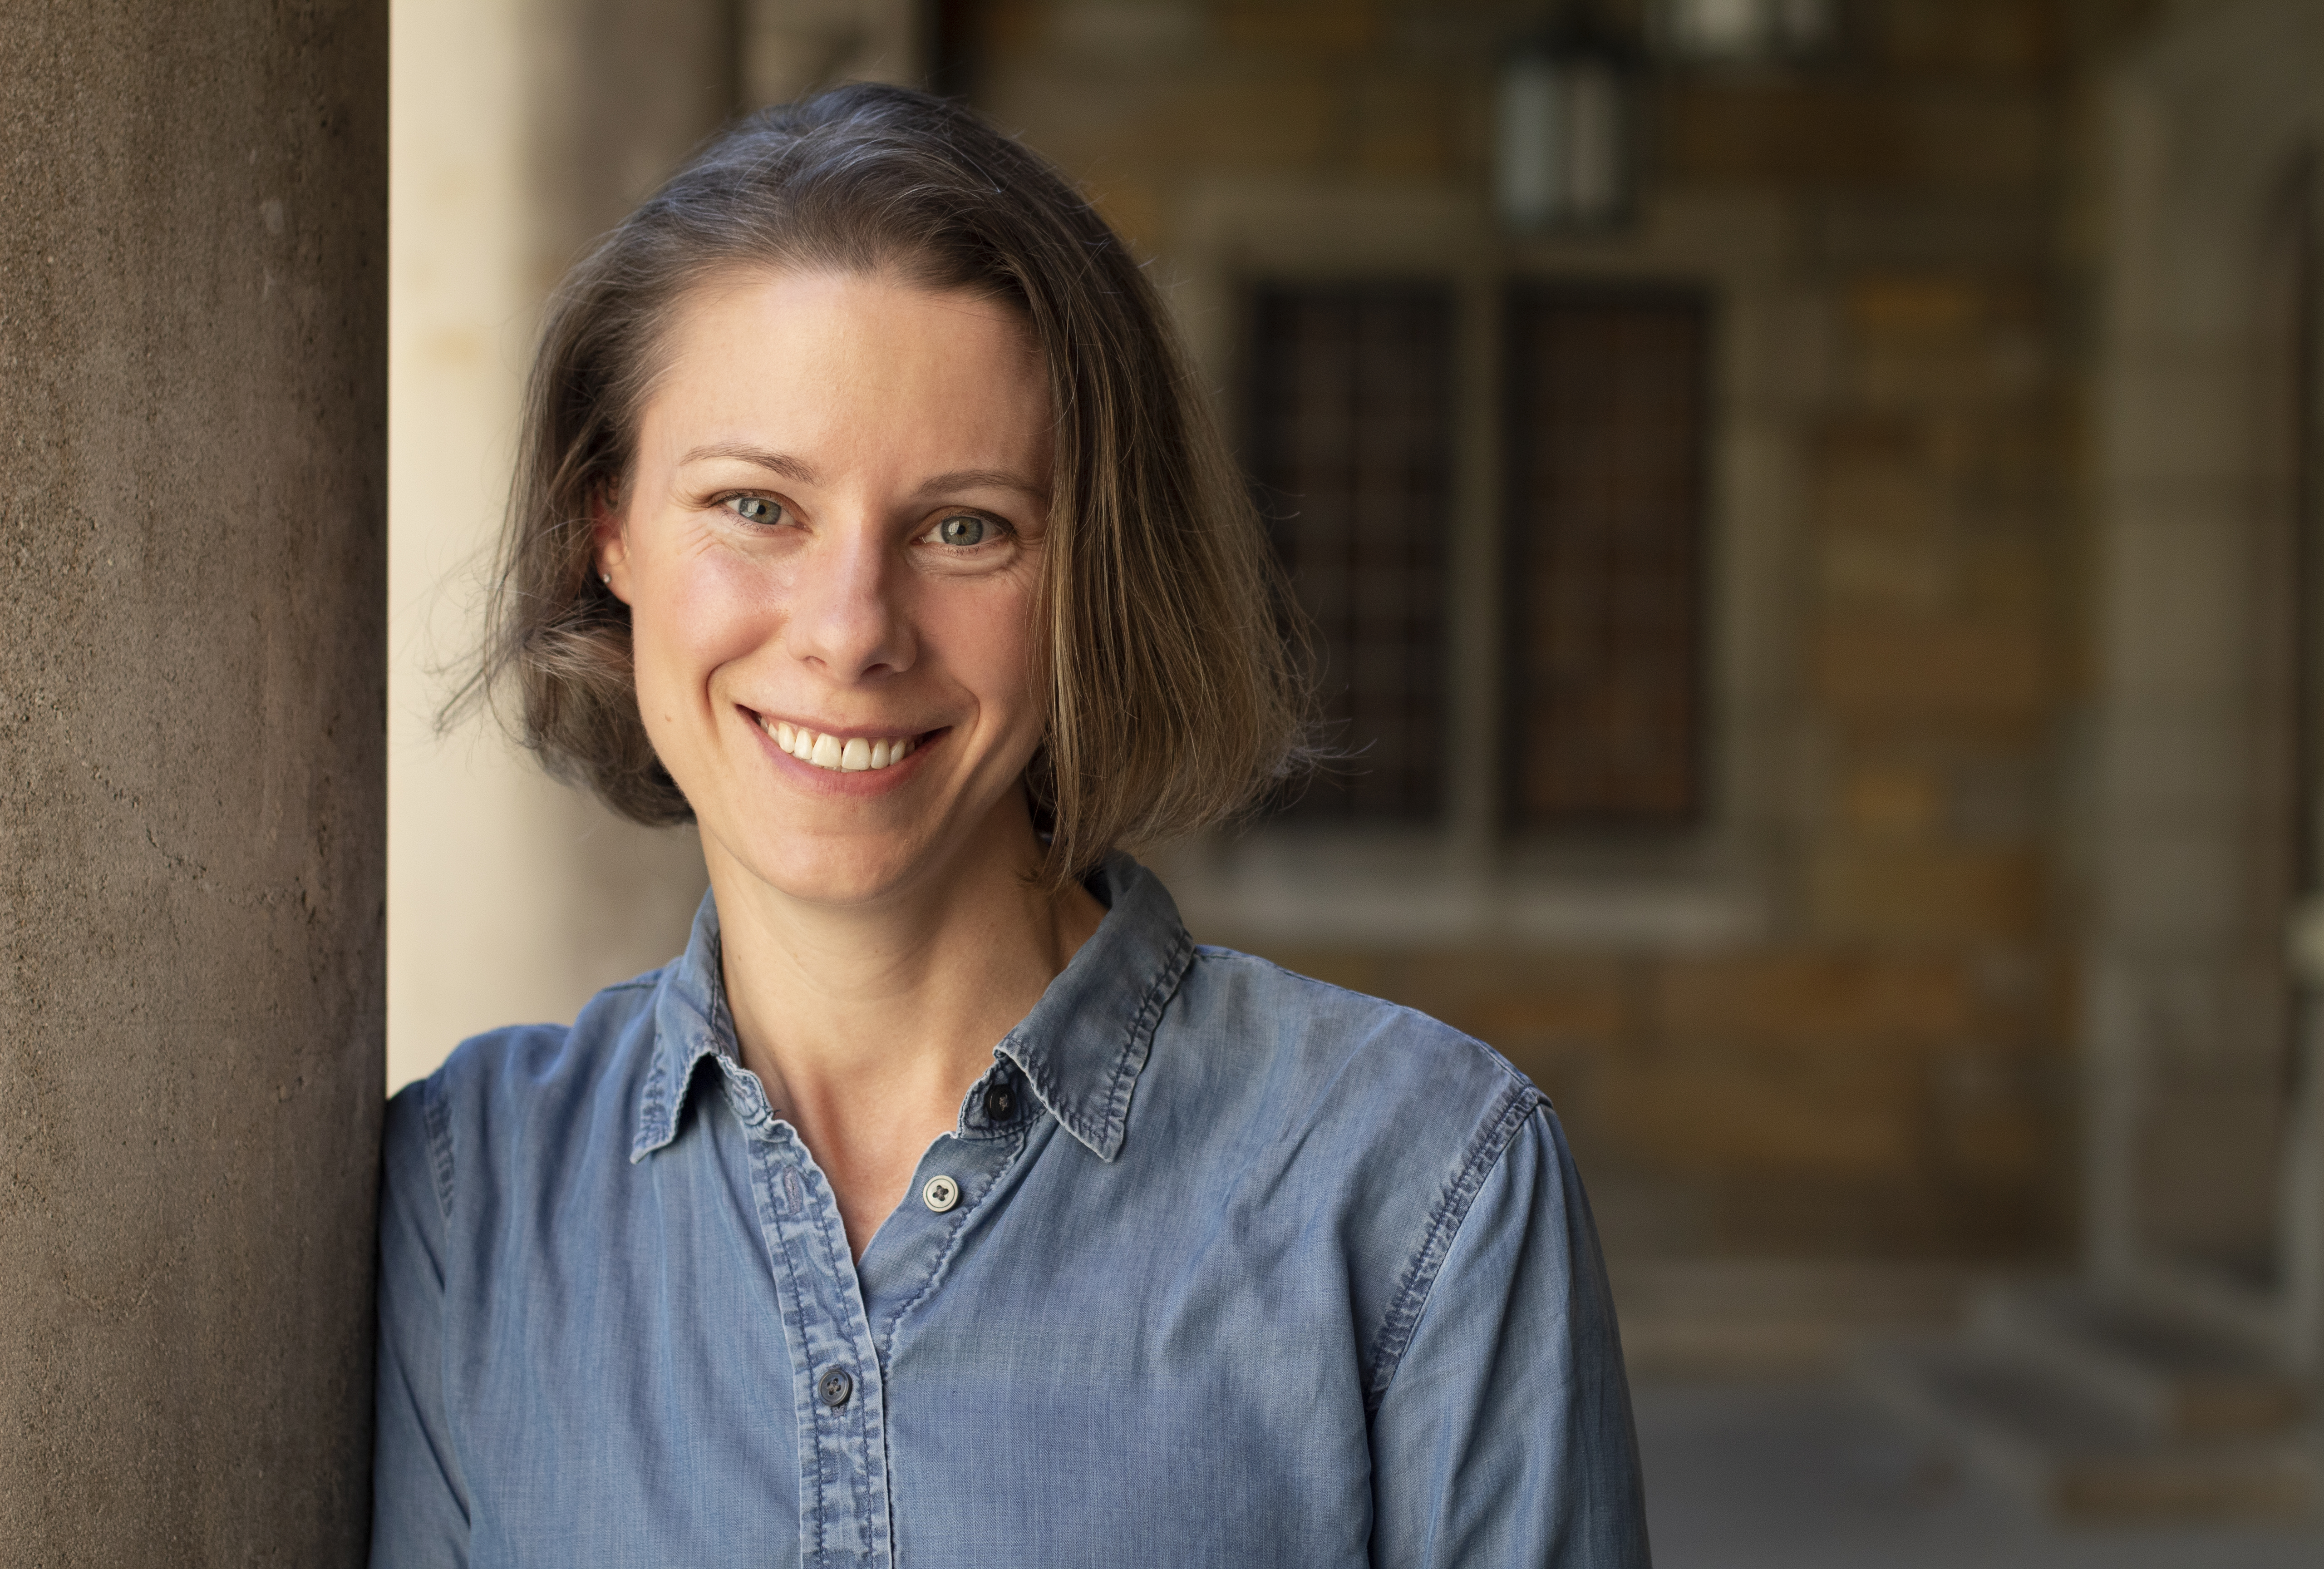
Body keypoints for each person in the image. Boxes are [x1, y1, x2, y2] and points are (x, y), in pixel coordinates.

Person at [373, 83, 1649, 1568]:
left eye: (964, 528)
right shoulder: (470, 1189)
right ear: (610, 527)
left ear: (1091, 575)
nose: (852, 631)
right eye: (757, 507)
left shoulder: (1423, 1183)